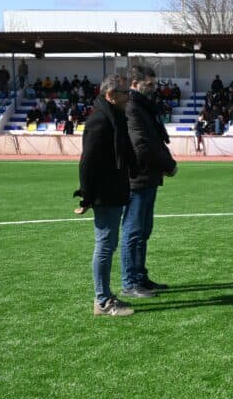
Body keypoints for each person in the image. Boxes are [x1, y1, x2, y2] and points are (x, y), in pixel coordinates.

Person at [74, 74, 135, 316]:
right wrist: (86, 197)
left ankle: (105, 296)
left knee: (108, 245)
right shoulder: (100, 120)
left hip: (114, 191)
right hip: (105, 194)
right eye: (124, 93)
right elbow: (87, 162)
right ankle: (102, 300)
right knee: (105, 245)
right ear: (110, 96)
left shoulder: (114, 117)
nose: (128, 97)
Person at [121, 65, 178, 299]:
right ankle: (130, 281)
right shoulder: (132, 107)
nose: (154, 88)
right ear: (135, 84)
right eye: (149, 84)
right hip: (137, 178)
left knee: (143, 231)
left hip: (148, 176)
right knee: (133, 232)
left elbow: (153, 142)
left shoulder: (143, 107)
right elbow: (143, 146)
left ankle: (140, 276)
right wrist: (168, 165)